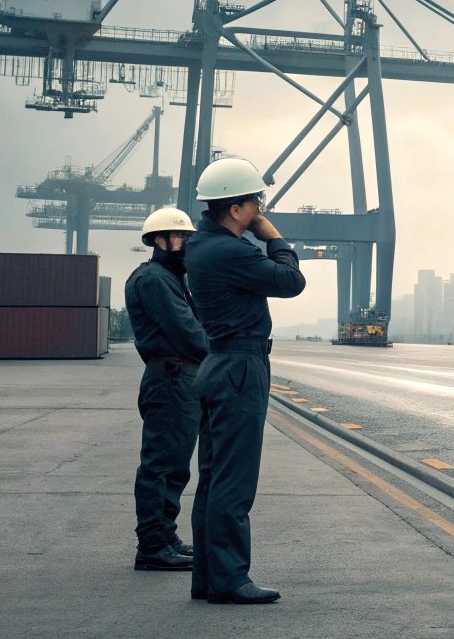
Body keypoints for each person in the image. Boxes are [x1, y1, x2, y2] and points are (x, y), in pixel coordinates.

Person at [183, 157, 306, 605]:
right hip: (240, 367)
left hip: (219, 364)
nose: (260, 210)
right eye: (255, 202)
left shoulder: (199, 246)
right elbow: (292, 281)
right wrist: (275, 239)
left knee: (213, 479)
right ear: (235, 209)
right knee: (235, 481)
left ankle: (209, 578)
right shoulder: (230, 251)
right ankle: (231, 579)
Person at [126, 207, 207, 572]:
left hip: (176, 378)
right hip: (171, 378)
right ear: (159, 241)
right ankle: (153, 547)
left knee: (174, 465)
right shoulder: (155, 279)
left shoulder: (169, 277)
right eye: (180, 238)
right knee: (161, 464)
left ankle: (164, 535)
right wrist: (221, 353)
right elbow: (187, 331)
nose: (186, 245)